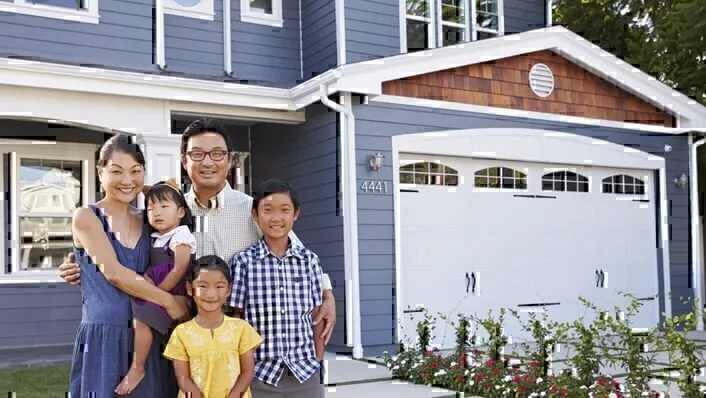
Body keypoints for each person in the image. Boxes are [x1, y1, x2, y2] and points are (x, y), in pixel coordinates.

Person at [59, 118, 337, 345]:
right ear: (184, 161)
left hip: (237, 333)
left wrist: (327, 294)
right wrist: (81, 262)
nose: (207, 162)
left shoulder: (253, 210)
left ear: (229, 161)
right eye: (197, 154)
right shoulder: (166, 211)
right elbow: (124, 244)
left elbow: (296, 254)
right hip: (179, 330)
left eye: (217, 154)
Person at [68, 134, 188, 397]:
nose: (126, 180)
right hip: (104, 338)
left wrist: (147, 190)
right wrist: (169, 302)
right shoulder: (87, 216)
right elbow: (115, 274)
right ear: (100, 173)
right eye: (116, 171)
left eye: (136, 171)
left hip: (148, 337)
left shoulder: (149, 219)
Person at [229, 178, 325, 398]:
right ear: (255, 214)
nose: (276, 218)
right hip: (259, 374)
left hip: (305, 372)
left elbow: (317, 317)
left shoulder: (309, 261)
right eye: (268, 210)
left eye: (284, 210)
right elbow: (237, 319)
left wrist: (318, 362)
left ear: (295, 214)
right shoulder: (243, 262)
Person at [115, 178, 198, 395]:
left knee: (144, 319)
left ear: (180, 212)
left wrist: (159, 294)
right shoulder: (154, 237)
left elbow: (179, 269)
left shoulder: (181, 235)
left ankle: (138, 367)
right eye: (151, 208)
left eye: (163, 206)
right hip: (158, 289)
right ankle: (141, 366)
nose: (156, 212)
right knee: (141, 320)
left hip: (174, 290)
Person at [163, 255, 263, 398]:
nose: (211, 294)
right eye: (202, 286)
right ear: (190, 289)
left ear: (229, 290)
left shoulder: (241, 328)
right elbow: (183, 378)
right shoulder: (181, 333)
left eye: (219, 286)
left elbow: (247, 371)